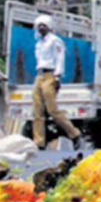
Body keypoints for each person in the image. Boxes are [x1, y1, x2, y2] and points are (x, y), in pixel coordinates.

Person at [30, 15, 82, 151]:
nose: (41, 27)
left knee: (52, 110)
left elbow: (60, 58)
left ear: (49, 27)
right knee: (37, 111)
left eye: (44, 25)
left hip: (50, 75)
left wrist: (57, 76)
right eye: (39, 25)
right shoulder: (38, 43)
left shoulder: (55, 40)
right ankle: (39, 142)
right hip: (39, 75)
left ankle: (74, 134)